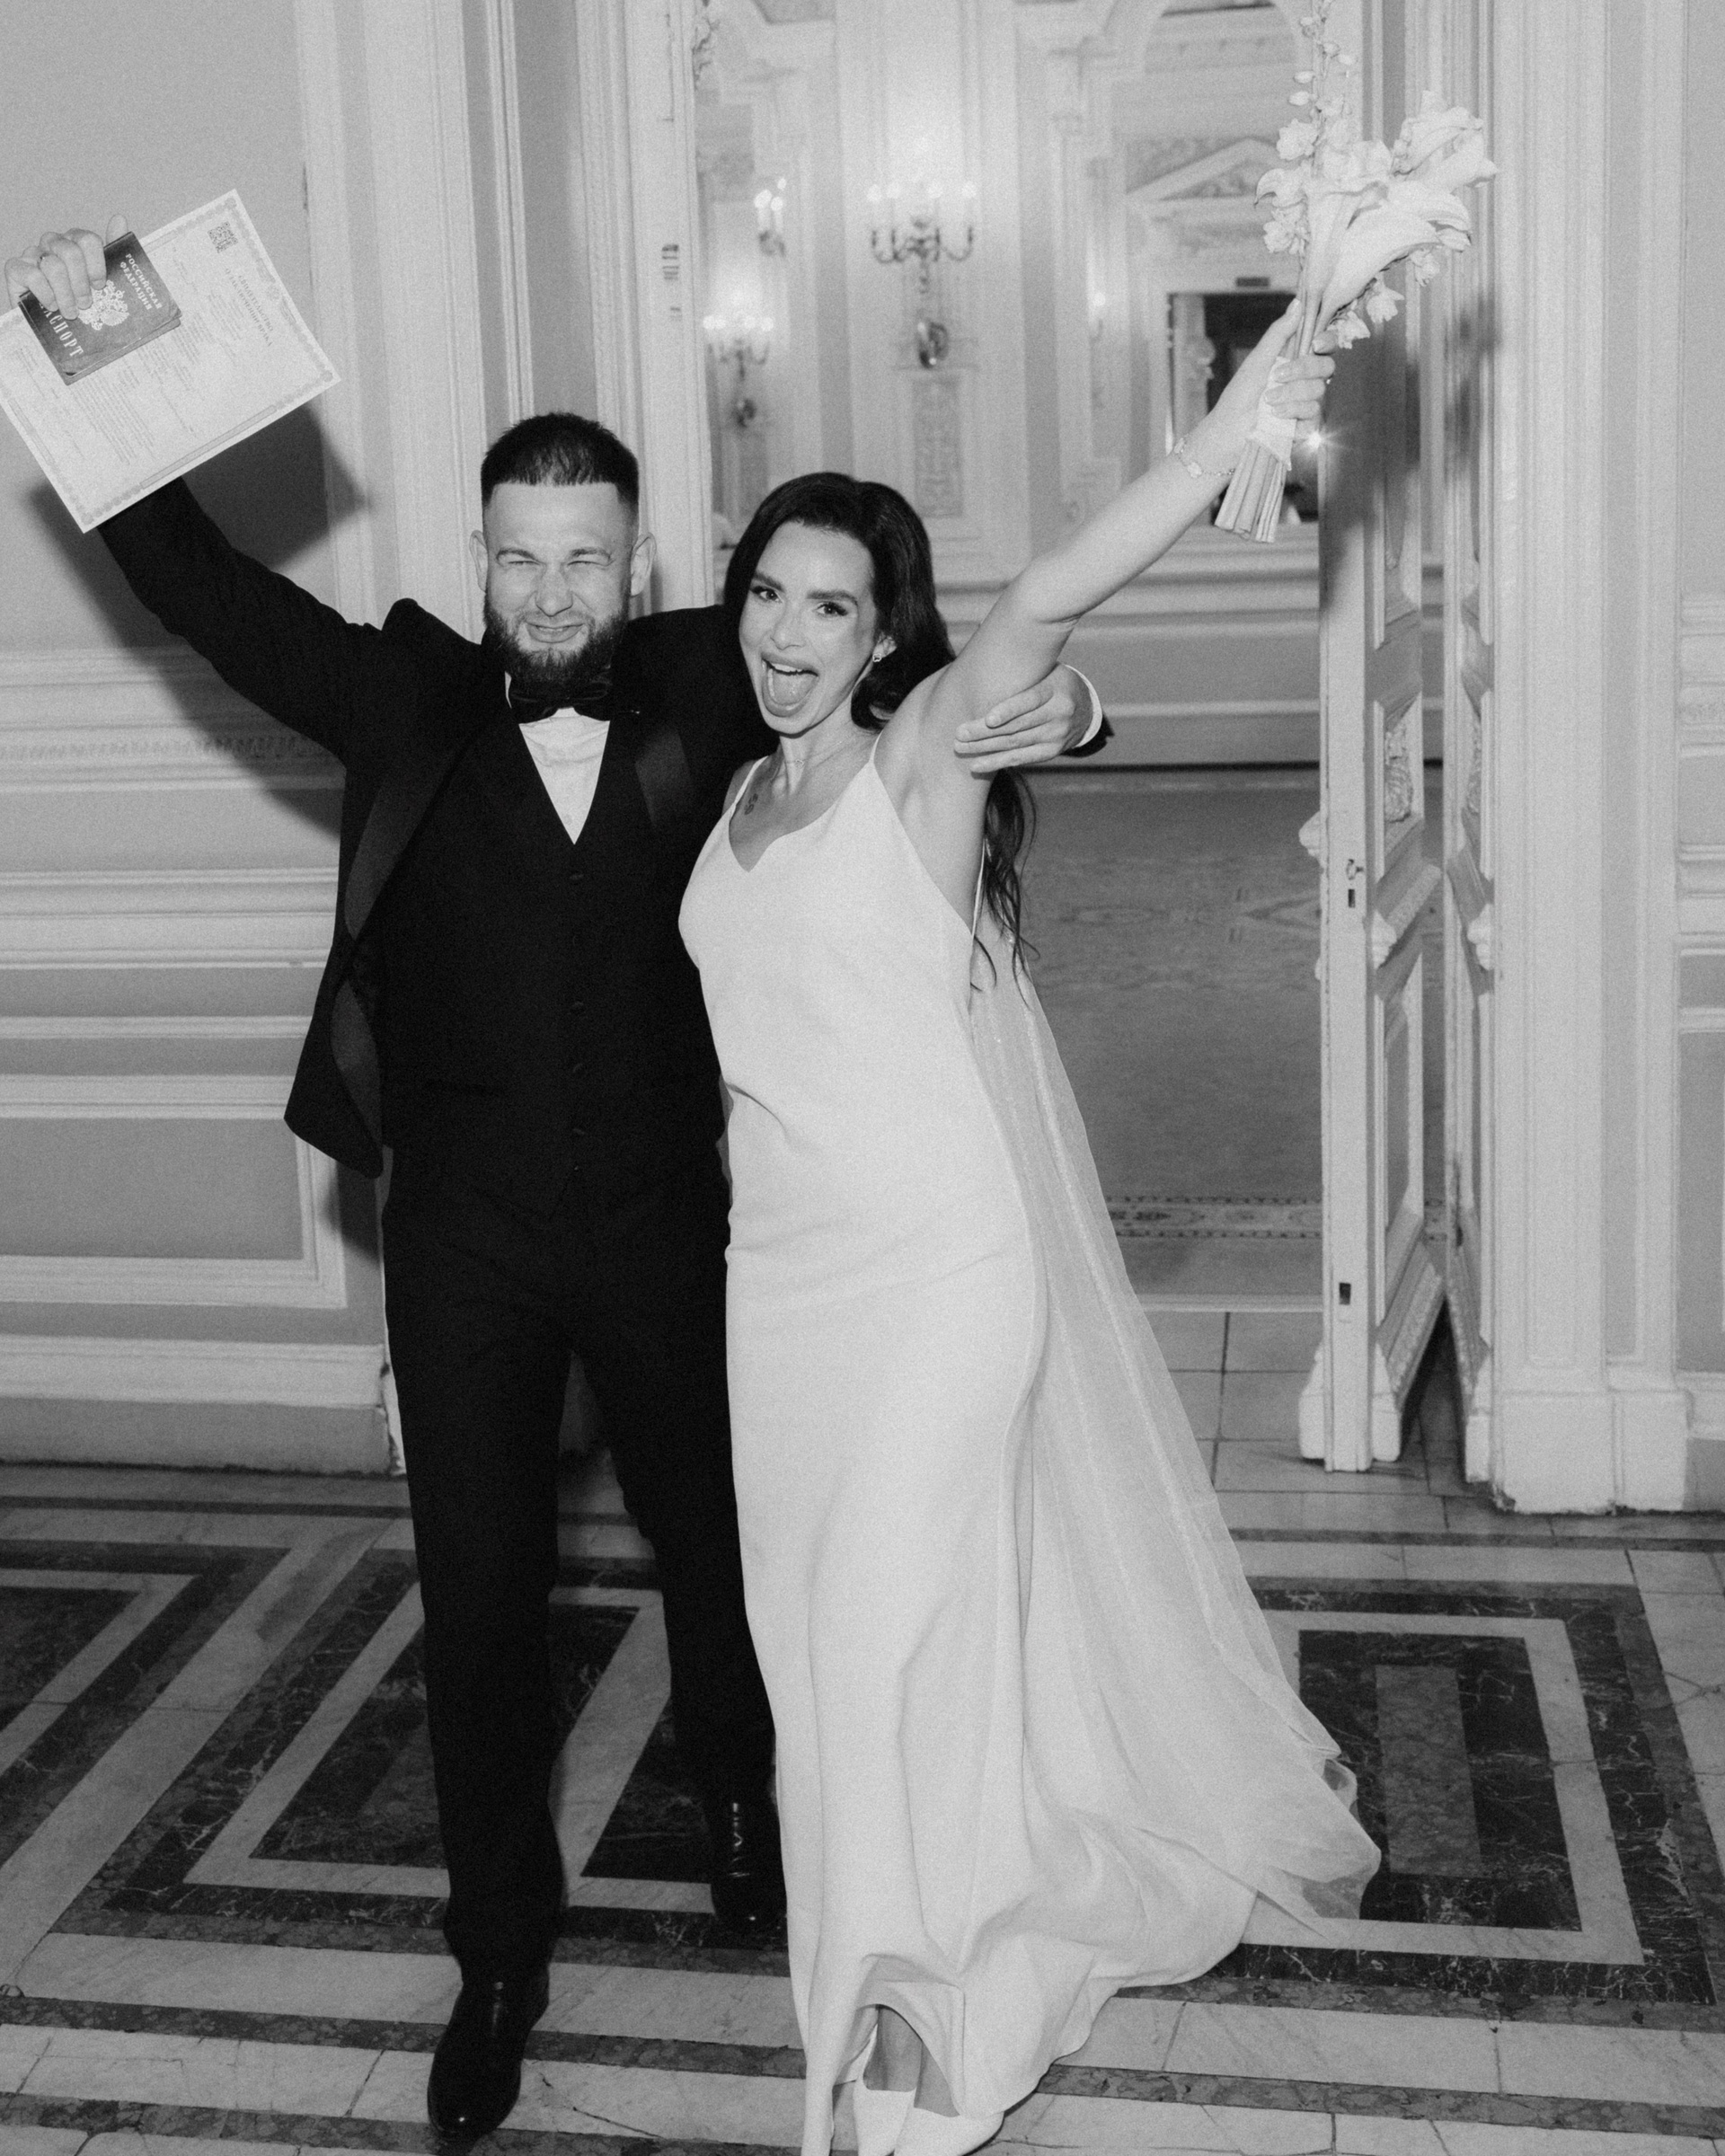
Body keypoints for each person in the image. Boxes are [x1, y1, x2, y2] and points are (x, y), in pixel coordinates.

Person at [4, 221, 1101, 2143]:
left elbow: (927, 670)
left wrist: (1076, 717)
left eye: (585, 558)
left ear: (640, 563)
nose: (549, 591)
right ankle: (498, 1954)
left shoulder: (717, 674)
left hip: (685, 1227)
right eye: (518, 557)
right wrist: (77, 355)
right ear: (481, 553)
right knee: (480, 1603)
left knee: (726, 1556)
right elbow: (195, 584)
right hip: (464, 1244)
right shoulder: (400, 696)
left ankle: (747, 1808)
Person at [678, 309, 1381, 2156]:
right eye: (769, 594)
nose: (789, 632)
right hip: (781, 1298)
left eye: (834, 607)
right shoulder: (738, 788)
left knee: (882, 1652)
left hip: (938, 1281)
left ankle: (908, 2023)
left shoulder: (920, 759)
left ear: (884, 635)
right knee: (817, 1669)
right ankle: (906, 1969)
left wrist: (1225, 431)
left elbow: (1058, 596)